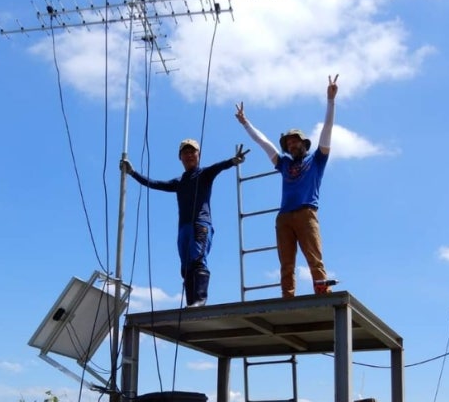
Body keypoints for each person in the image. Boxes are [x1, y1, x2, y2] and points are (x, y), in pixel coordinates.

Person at [235, 75, 338, 298]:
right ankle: (288, 296)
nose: (291, 145)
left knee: (313, 256)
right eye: (288, 143)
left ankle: (321, 289)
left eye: (295, 141)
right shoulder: (284, 163)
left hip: (306, 212)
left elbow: (327, 129)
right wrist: (246, 123)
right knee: (286, 261)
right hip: (284, 217)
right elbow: (263, 143)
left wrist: (330, 101)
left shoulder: (317, 160)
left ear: (303, 143)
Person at [120, 139, 248, 307]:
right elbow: (155, 184)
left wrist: (233, 161)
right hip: (183, 228)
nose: (189, 155)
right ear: (180, 157)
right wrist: (132, 172)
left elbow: (219, 167)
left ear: (198, 155)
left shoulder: (204, 174)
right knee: (186, 266)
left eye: (192, 152)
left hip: (200, 224)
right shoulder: (179, 182)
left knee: (197, 259)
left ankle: (200, 300)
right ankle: (191, 303)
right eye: (185, 153)